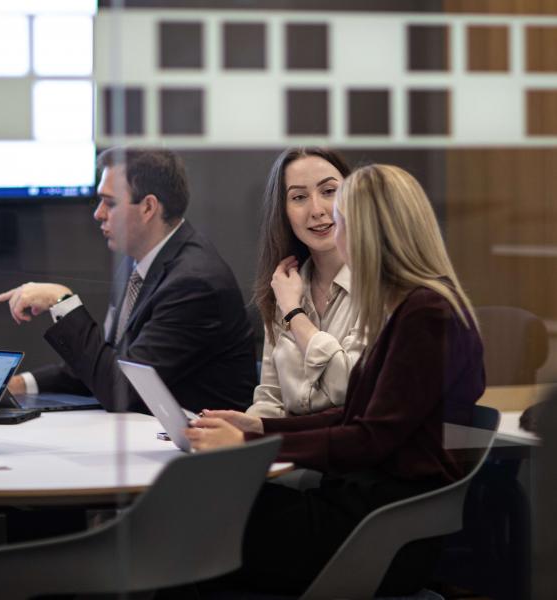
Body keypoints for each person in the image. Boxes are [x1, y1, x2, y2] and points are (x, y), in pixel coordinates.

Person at [185, 164, 485, 595]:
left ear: (369, 233)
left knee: (198, 529)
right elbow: (355, 416)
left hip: (381, 529)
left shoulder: (426, 314)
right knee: (204, 515)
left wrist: (249, 444)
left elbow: (367, 438)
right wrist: (259, 427)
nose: (334, 231)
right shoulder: (413, 308)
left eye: (341, 220)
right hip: (364, 509)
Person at [0, 147, 256, 413]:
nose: (98, 213)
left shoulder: (194, 283)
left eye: (110, 203)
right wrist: (20, 384)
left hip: (196, 436)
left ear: (148, 207)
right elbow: (105, 364)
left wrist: (62, 302)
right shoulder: (138, 265)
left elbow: (122, 389)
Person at [250, 147, 364, 418]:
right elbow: (270, 399)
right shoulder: (284, 285)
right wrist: (237, 430)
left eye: (329, 191)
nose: (317, 210)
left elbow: (350, 388)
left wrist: (294, 312)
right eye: (299, 197)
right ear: (283, 212)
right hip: (289, 443)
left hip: (346, 443)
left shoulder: (379, 285)